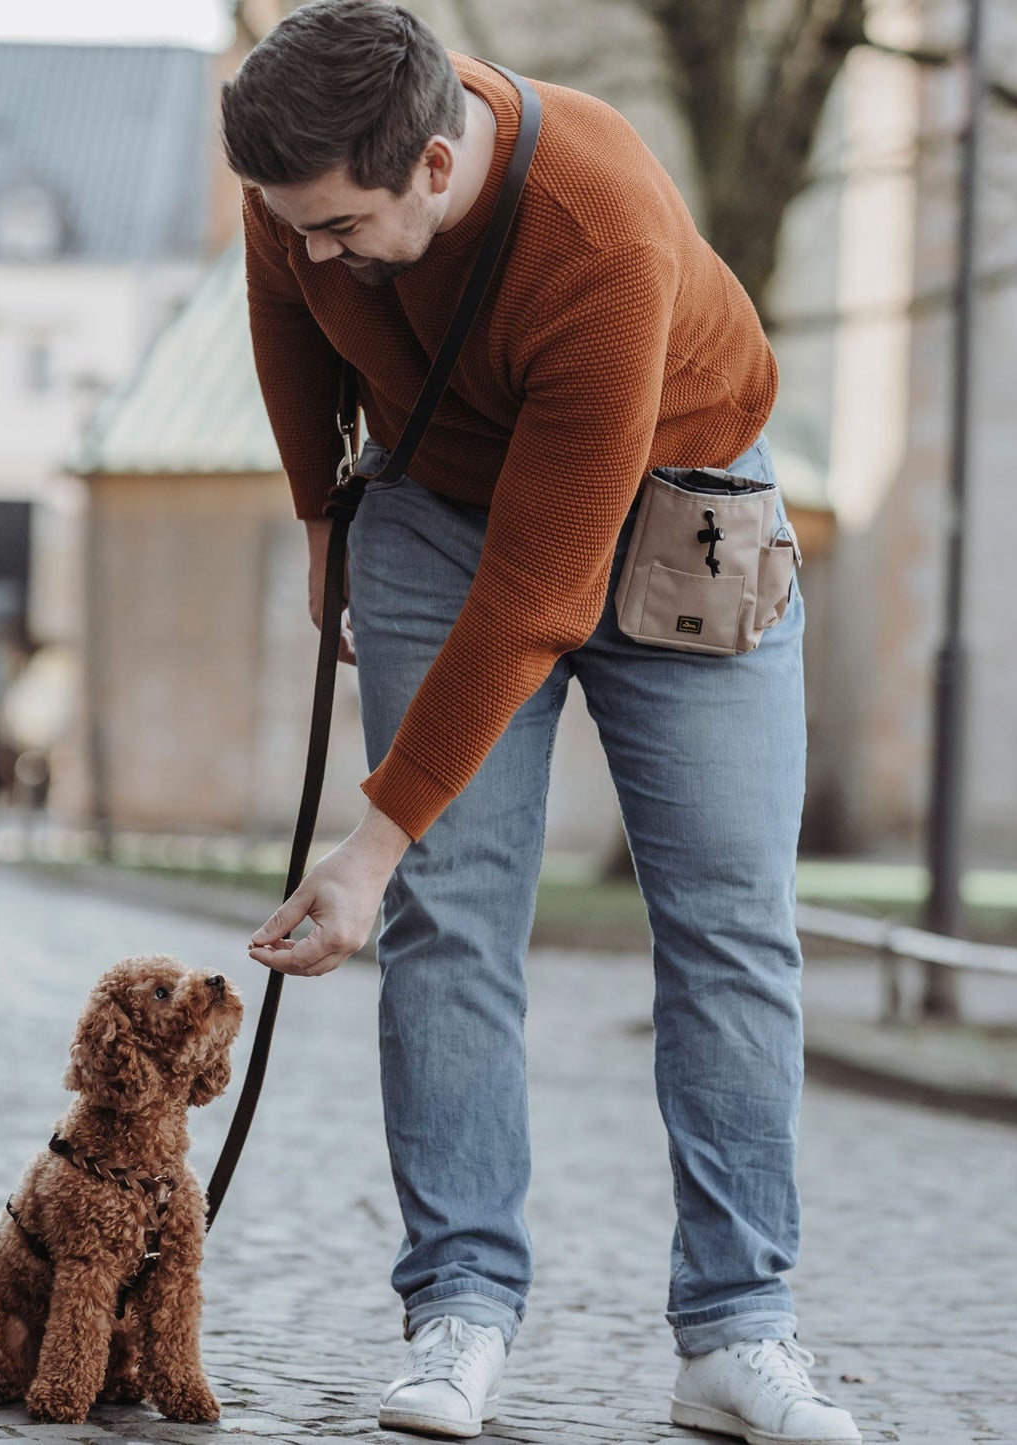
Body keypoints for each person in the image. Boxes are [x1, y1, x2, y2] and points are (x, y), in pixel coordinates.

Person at [222, 4, 860, 1442]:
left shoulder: (597, 229)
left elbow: (536, 589)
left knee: (729, 920)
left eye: (339, 225)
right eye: (287, 221)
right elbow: (281, 313)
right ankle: (458, 1304)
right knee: (450, 913)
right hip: (428, 504)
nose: (308, 249)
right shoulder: (300, 178)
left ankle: (737, 1329)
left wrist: (368, 838)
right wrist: (324, 524)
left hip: (670, 510)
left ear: (435, 166)